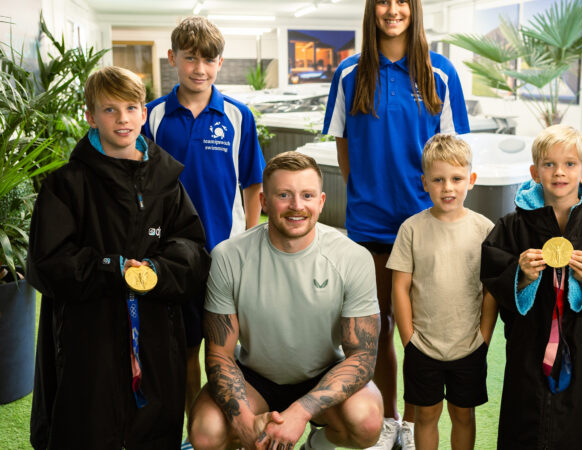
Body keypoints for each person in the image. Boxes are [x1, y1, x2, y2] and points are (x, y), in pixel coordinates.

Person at [27, 66, 210, 449]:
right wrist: (114, 269)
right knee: (88, 427)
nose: (123, 119)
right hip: (89, 335)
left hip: (157, 330)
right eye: (110, 110)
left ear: (144, 113)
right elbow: (49, 264)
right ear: (90, 116)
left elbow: (193, 250)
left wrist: (158, 270)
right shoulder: (66, 185)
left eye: (131, 107)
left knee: (154, 425)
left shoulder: (166, 182)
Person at [322, 1, 470, 446]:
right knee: (377, 329)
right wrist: (365, 191)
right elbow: (344, 146)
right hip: (371, 228)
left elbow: (453, 153)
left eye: (401, 1)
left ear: (414, 9)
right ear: (372, 10)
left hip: (429, 225)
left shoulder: (439, 72)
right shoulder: (349, 73)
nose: (392, 9)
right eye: (383, 1)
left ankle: (415, 422)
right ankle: (390, 423)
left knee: (422, 328)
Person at [188, 152, 384, 450]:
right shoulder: (229, 256)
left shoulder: (353, 258)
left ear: (320, 201)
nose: (296, 206)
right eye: (284, 195)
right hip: (255, 376)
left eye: (307, 195)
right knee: (206, 433)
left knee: (367, 421)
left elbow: (362, 358)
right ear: (264, 202)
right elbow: (219, 355)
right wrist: (245, 425)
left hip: (322, 373)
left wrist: (300, 412)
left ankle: (316, 444)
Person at [481, 124, 582, 449]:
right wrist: (521, 274)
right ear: (534, 172)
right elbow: (493, 271)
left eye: (569, 164)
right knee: (528, 418)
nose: (559, 172)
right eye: (549, 164)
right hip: (531, 342)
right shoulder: (513, 226)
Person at [142, 15, 266, 425]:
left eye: (208, 60)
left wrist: (249, 241)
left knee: (224, 352)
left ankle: (220, 428)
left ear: (220, 62)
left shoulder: (237, 116)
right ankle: (190, 431)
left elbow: (252, 184)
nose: (199, 68)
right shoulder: (151, 116)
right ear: (172, 58)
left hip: (224, 256)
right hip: (170, 260)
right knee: (180, 352)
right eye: (190, 58)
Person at [387, 134, 497, 449]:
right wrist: (409, 339)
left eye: (456, 178)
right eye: (438, 179)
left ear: (471, 180)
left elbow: (491, 290)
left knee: (464, 415)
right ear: (424, 182)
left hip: (469, 346)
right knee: (426, 415)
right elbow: (400, 286)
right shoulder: (411, 229)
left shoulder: (485, 230)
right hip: (423, 346)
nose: (447, 187)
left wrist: (484, 337)